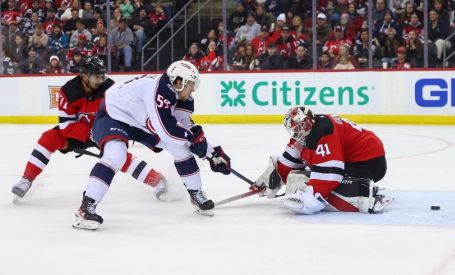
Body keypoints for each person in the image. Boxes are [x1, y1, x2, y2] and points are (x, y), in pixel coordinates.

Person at [72, 61, 232, 230]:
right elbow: (167, 132)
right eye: (192, 84)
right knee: (116, 155)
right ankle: (86, 208)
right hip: (114, 116)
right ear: (179, 82)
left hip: (142, 124)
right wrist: (195, 140)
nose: (193, 89)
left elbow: (185, 127)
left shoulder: (184, 98)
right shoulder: (158, 89)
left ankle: (196, 194)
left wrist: (212, 154)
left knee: (181, 149)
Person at [12, 56, 167, 203]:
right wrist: (91, 134)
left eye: (102, 77)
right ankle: (26, 180)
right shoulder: (68, 92)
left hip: (104, 129)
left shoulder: (110, 88)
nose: (100, 81)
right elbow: (66, 126)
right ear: (85, 77)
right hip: (78, 133)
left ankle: (158, 180)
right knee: (49, 138)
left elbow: (122, 113)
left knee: (118, 155)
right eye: (96, 77)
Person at [254, 106, 393, 215]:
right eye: (293, 131)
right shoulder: (309, 130)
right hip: (362, 157)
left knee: (309, 180)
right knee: (303, 176)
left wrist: (312, 200)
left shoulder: (325, 132)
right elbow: (290, 160)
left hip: (369, 163)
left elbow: (330, 173)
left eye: (298, 129)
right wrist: (274, 179)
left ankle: (363, 194)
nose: (296, 134)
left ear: (306, 124)